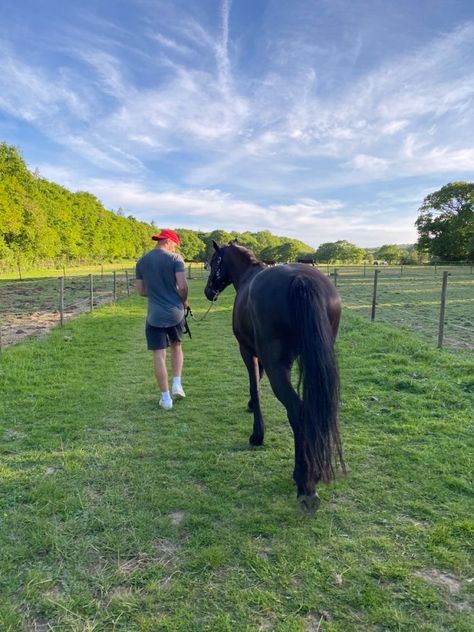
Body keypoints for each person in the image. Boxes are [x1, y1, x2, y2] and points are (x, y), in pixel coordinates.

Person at [135, 229, 188, 410]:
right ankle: (177, 384)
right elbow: (182, 286)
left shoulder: (142, 261)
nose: (175, 248)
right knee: (176, 346)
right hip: (175, 311)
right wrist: (184, 301)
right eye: (175, 244)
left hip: (154, 314)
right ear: (167, 241)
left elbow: (141, 291)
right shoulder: (175, 260)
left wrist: (158, 292)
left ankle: (166, 399)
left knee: (159, 354)